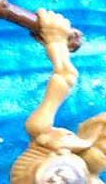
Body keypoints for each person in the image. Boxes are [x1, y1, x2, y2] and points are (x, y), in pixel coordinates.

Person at [10, 10, 106, 184]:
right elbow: (64, 77)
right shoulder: (50, 139)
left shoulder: (45, 135)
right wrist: (56, 42)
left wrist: (56, 41)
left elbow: (65, 76)